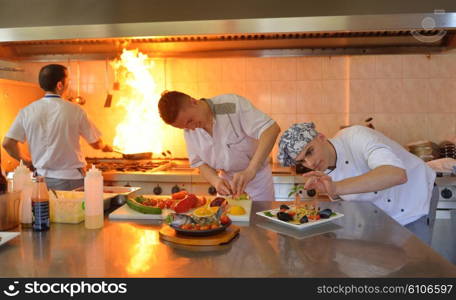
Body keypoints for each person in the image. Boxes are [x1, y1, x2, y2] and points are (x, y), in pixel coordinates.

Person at [277, 123, 438, 244]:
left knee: (416, 268)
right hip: (380, 214)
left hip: (413, 196)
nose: (310, 163)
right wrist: (332, 193)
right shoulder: (322, 168)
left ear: (321, 137)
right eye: (302, 161)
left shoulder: (356, 136)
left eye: (310, 151)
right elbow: (349, 202)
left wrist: (336, 187)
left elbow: (396, 174)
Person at [2, 64, 113, 191]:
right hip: (71, 180)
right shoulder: (75, 111)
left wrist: (26, 161)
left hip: (40, 180)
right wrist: (105, 147)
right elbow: (95, 143)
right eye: (69, 80)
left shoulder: (27, 111)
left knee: (44, 211)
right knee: (70, 211)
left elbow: (7, 143)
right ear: (60, 85)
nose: (69, 83)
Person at [158, 91, 280, 201]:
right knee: (227, 224)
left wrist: (251, 170)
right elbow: (199, 162)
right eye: (184, 127)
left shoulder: (232, 105)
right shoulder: (189, 130)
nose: (192, 128)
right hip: (227, 186)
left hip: (257, 180)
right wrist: (216, 182)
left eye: (190, 121)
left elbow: (271, 129)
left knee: (259, 223)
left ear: (193, 102)